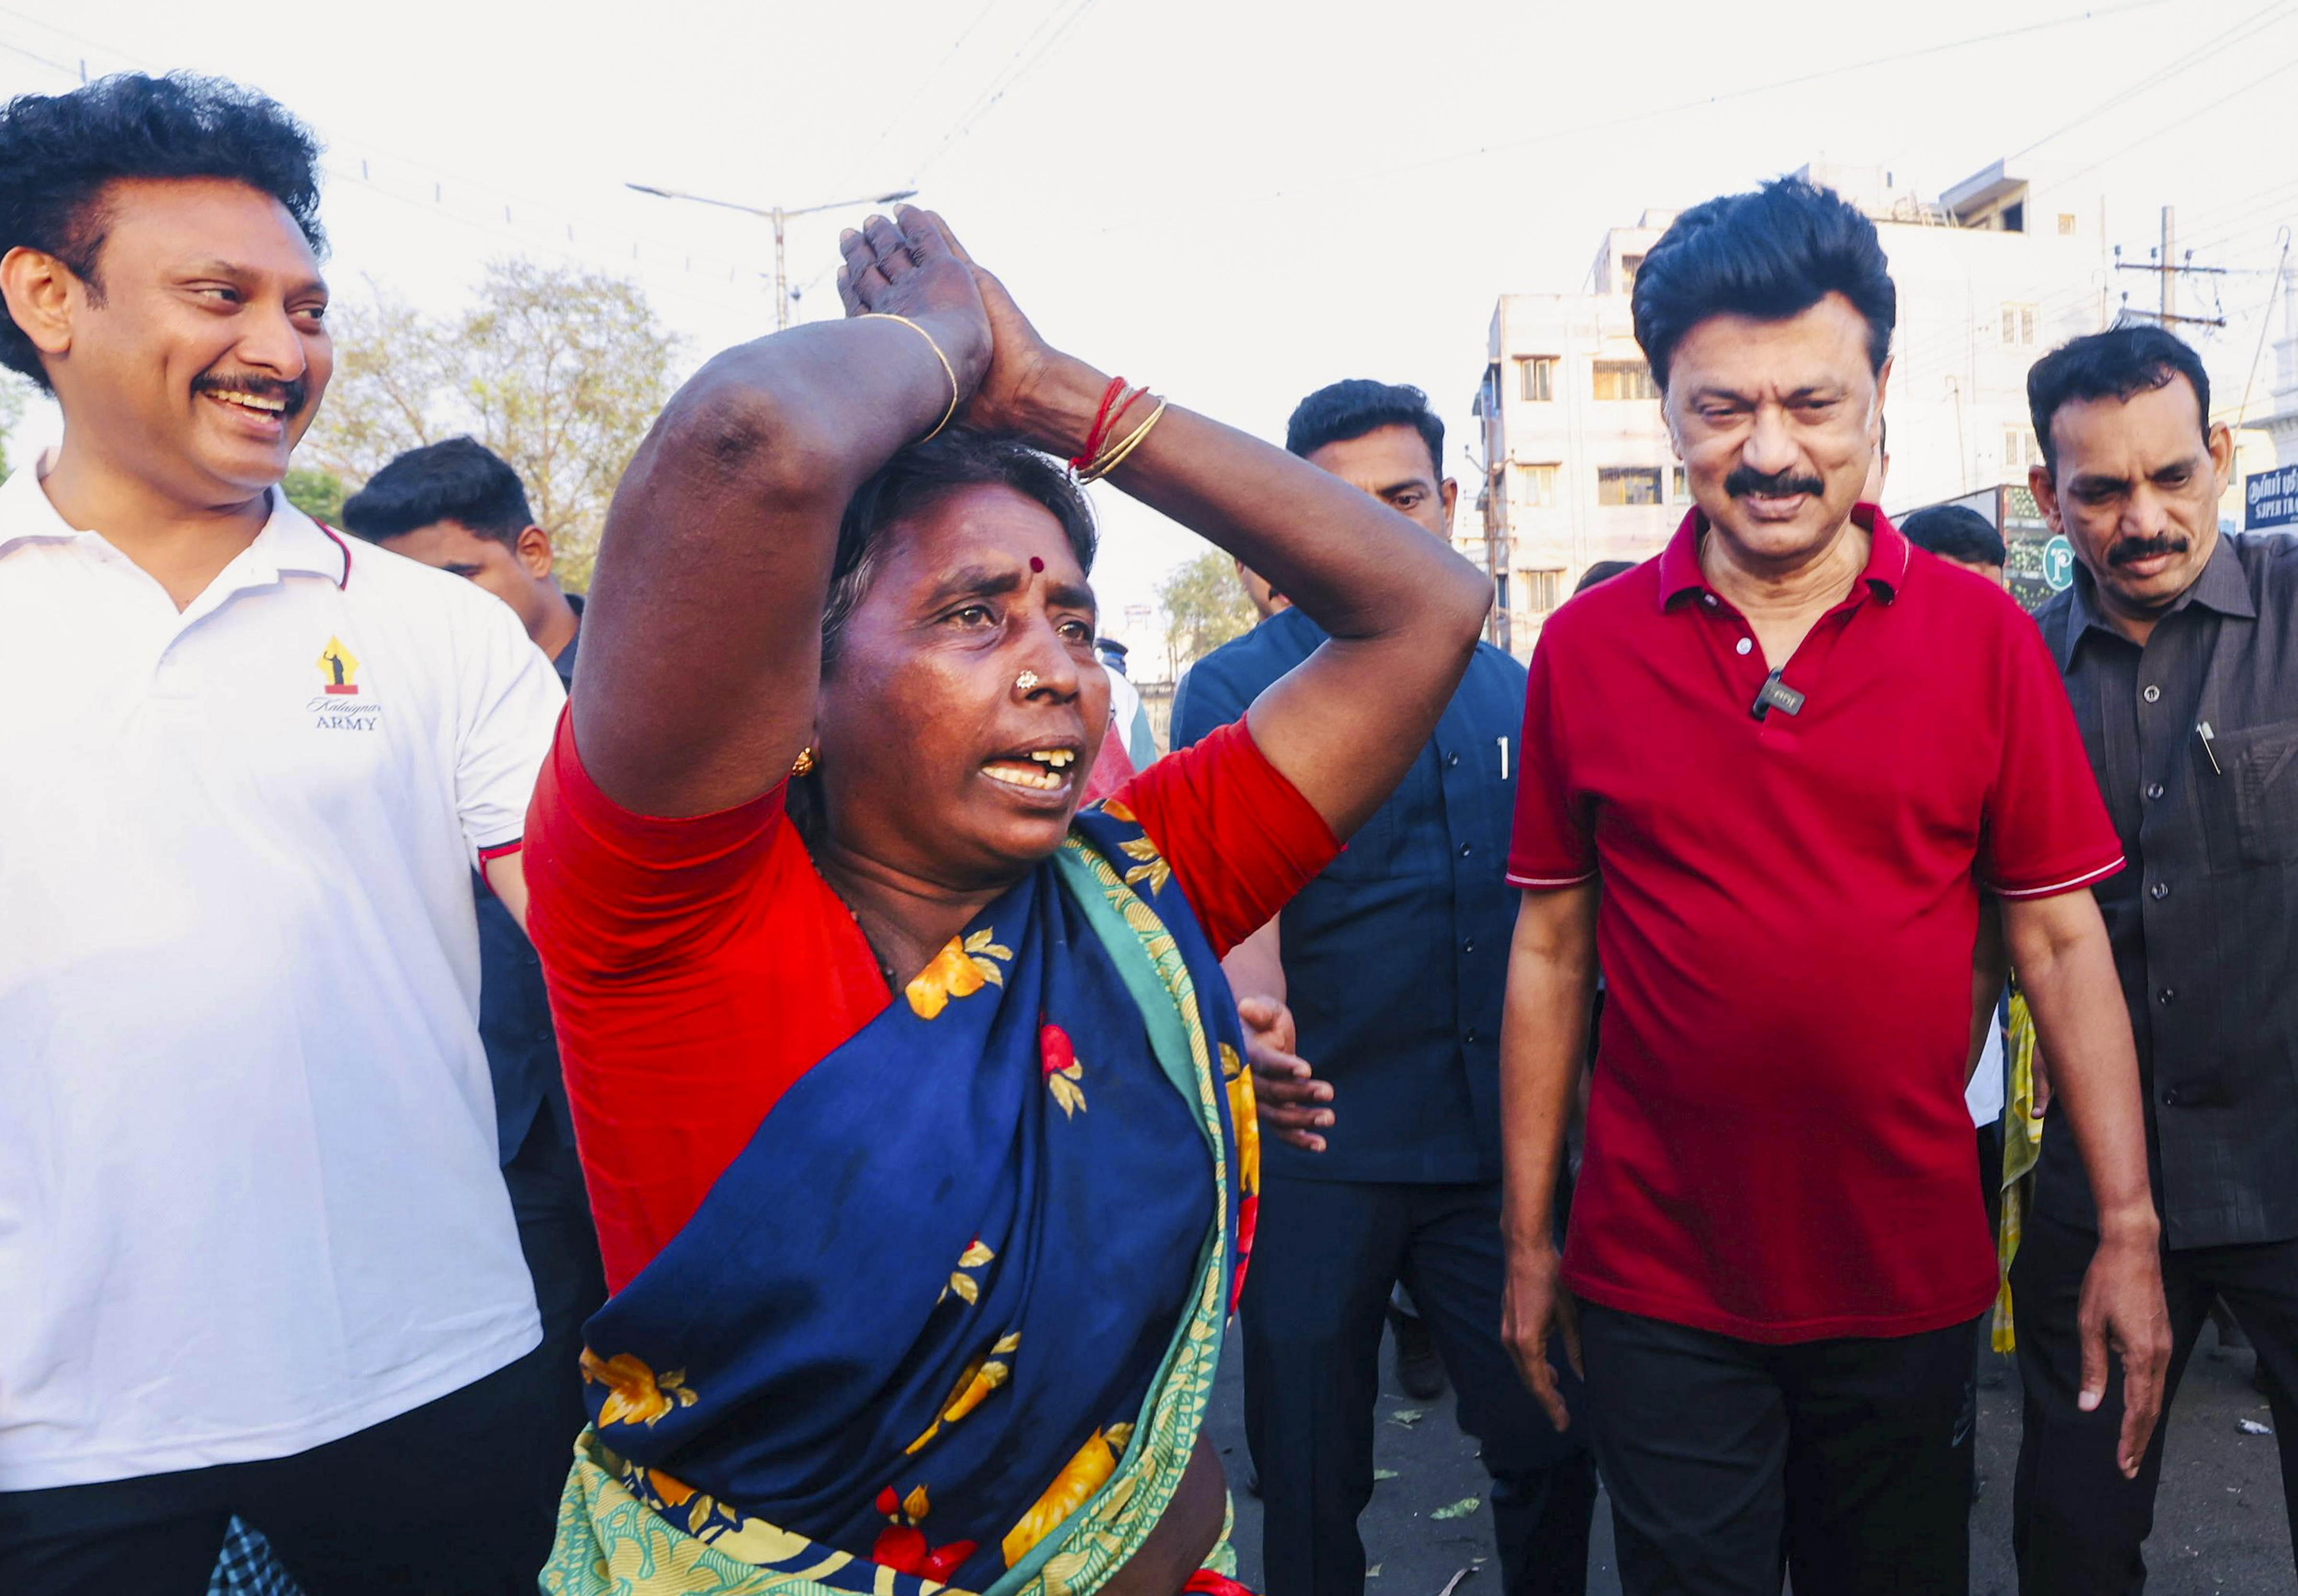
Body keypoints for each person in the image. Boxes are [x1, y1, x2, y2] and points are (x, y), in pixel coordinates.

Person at [519, 207, 1492, 1594]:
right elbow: (754, 443)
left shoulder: (1132, 886)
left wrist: (1055, 394)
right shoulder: (667, 917)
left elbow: (1424, 607)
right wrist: (950, 335)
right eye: (975, 614)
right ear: (802, 678)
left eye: (1079, 622)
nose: (1062, 670)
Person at [1495, 176, 2170, 1596]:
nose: (1771, 451)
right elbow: (1553, 949)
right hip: (1656, 1279)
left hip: (1904, 1269)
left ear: (1879, 394)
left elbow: (2058, 937)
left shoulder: (1985, 641)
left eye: (1813, 403)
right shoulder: (1588, 650)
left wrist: (2126, 1226)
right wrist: (1526, 1236)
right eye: (1721, 407)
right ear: (1666, 410)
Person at [0, 74, 568, 1592]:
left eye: (307, 308)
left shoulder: (434, 630)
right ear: (49, 295)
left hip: (433, 1364)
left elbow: (602, 924)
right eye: (221, 295)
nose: (283, 348)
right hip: (61, 1418)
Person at [1171, 379, 1593, 1596]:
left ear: (1451, 503)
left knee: (1546, 1436)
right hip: (1319, 1149)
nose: (1378, 527)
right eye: (1338, 507)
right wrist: (1254, 1016)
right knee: (1309, 1473)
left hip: (1492, 1159)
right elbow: (1233, 895)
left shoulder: (1520, 688)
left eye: (1405, 497)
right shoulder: (1234, 686)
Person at [2011, 323, 2298, 1595]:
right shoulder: (2005, 670)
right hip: (2101, 1198)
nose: (2144, 517)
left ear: (2222, 457)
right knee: (2072, 1541)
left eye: (2173, 476)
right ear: (2044, 497)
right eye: (2102, 489)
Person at [340, 436, 607, 1462]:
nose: (439, 615)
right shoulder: (384, 711)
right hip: (493, 1131)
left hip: (643, 1106)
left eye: (460, 579)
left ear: (531, 550)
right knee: (528, 1412)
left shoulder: (654, 692)